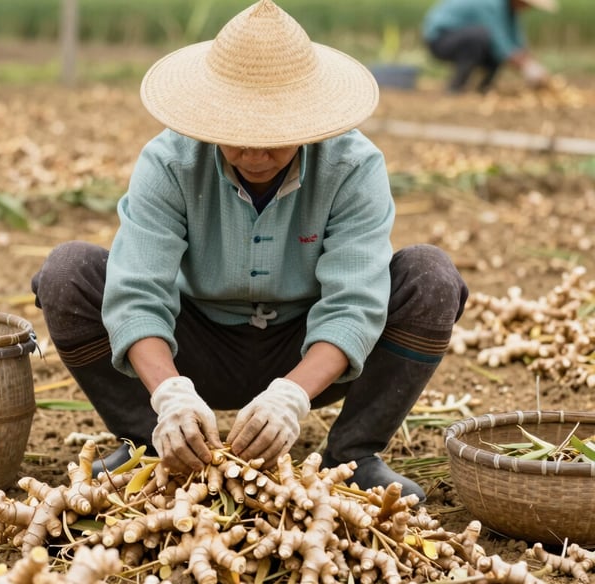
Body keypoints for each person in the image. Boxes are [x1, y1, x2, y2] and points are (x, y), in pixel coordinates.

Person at [31, 0, 468, 501]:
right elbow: (137, 294)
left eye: (274, 140)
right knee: (68, 272)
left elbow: (354, 303)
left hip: (305, 341)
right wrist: (170, 395)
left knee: (430, 277)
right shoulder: (170, 161)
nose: (255, 155)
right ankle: (148, 441)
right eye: (237, 137)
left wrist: (293, 395)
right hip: (194, 343)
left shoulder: (352, 166)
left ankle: (353, 454)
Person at [422, 0, 557, 94]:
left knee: (490, 45)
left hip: (462, 38)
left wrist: (531, 63)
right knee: (481, 37)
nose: (527, 9)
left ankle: (484, 88)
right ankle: (455, 87)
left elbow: (517, 43)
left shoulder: (510, 10)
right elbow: (501, 43)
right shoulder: (491, 4)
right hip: (440, 40)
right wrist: (526, 67)